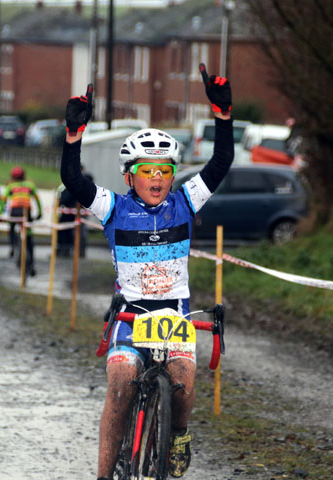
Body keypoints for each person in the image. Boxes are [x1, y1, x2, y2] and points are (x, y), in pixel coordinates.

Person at [61, 64, 233, 480]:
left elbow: (221, 161)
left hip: (174, 314)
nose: (156, 178)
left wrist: (223, 116)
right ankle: (105, 474)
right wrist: (73, 136)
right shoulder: (113, 207)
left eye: (164, 170)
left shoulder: (185, 201)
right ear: (129, 175)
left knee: (184, 380)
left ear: (172, 175)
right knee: (120, 382)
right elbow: (72, 179)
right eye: (146, 170)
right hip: (131, 315)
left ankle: (177, 435)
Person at [1, 166, 42, 276]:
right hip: (26, 212)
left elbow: (3, 201)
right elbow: (37, 200)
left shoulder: (11, 185)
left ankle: (12, 246)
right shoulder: (30, 185)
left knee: (11, 227)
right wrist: (40, 213)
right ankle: (32, 264)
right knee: (29, 237)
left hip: (14, 212)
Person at [56, 165, 93, 257]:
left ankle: (73, 251)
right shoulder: (73, 181)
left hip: (76, 211)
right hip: (73, 211)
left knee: (74, 232)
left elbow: (65, 197)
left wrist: (61, 202)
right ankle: (74, 252)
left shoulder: (78, 181)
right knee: (73, 231)